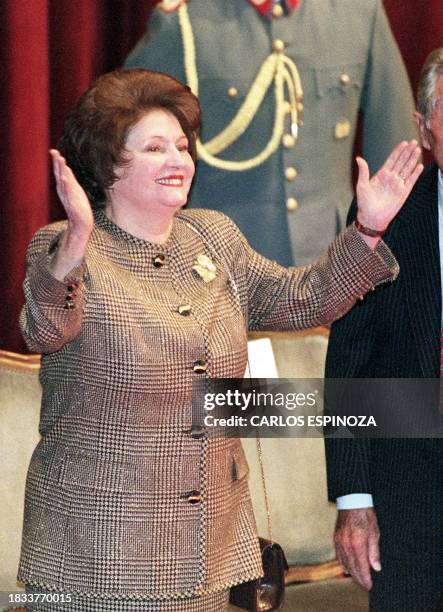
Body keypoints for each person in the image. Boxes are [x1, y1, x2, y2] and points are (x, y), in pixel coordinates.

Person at [18, 68, 421, 612]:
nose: (178, 160)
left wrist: (368, 230)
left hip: (210, 544)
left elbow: (301, 298)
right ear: (108, 163)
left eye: (182, 146)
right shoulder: (65, 249)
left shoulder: (214, 236)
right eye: (155, 147)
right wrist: (74, 248)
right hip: (100, 550)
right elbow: (44, 329)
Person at [124, 0, 418, 267]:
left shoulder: (359, 12)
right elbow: (127, 146)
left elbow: (395, 155)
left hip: (335, 262)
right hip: (219, 267)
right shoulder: (186, 20)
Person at [325, 49, 443, 612]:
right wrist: (354, 499)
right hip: (410, 499)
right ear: (424, 127)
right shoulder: (385, 213)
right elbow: (350, 361)